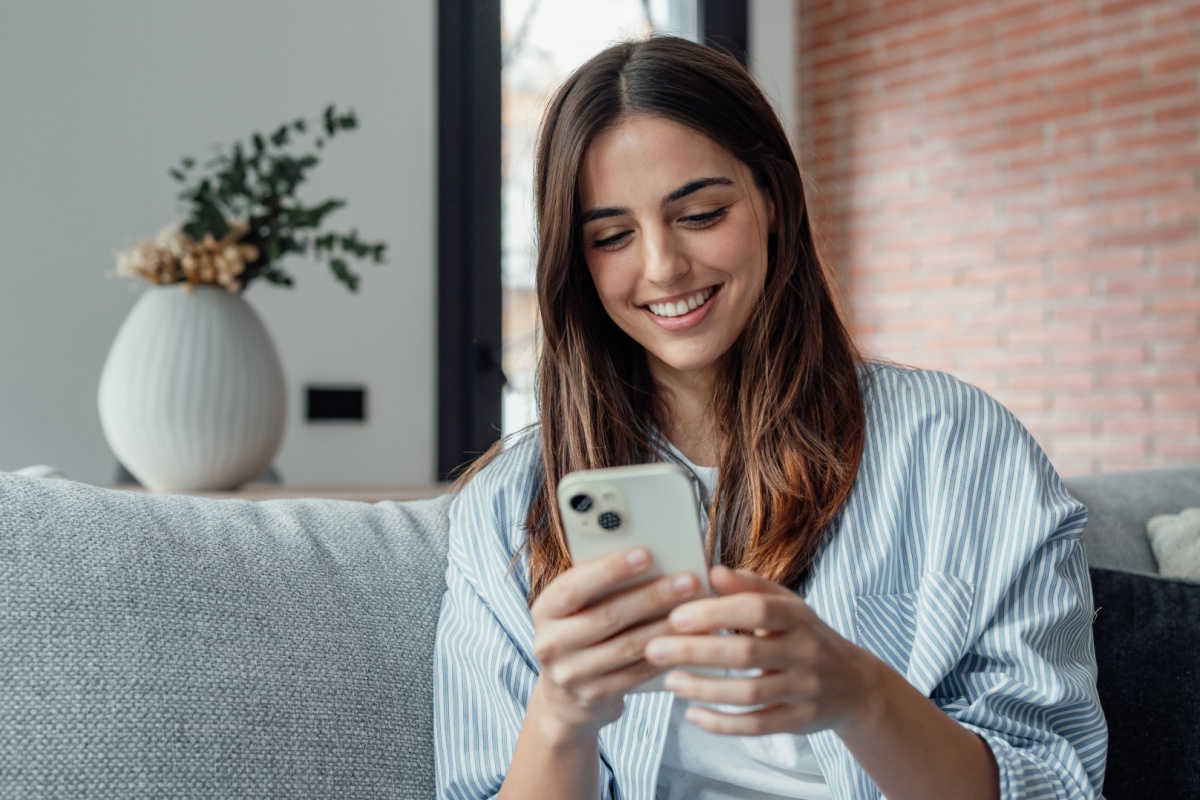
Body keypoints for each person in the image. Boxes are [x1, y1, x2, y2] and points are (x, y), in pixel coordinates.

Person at [434, 36, 1107, 800]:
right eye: (612, 236)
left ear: (774, 203)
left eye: (701, 213)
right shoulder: (506, 512)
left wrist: (860, 694)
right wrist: (563, 713)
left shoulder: (958, 447)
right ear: (575, 263)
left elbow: (1055, 783)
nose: (662, 267)